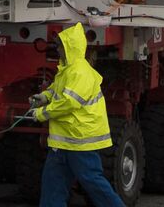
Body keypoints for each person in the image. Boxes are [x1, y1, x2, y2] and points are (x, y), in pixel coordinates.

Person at [30, 24, 123, 207]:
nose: (57, 49)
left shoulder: (79, 72)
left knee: (91, 182)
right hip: (65, 140)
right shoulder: (67, 70)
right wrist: (44, 97)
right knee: (53, 185)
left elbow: (69, 102)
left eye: (60, 46)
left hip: (80, 140)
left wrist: (42, 113)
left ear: (69, 48)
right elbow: (57, 91)